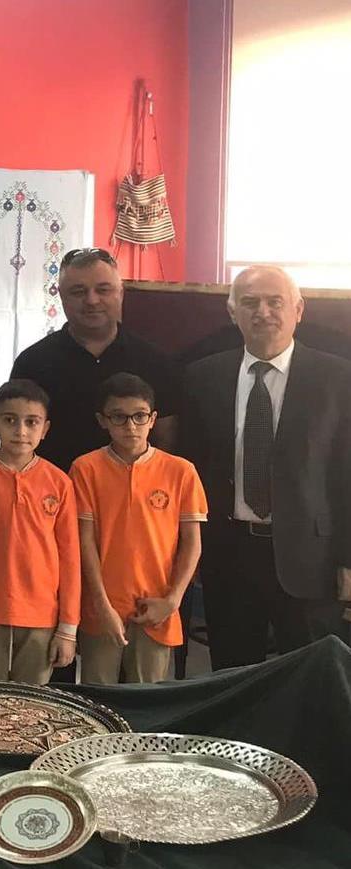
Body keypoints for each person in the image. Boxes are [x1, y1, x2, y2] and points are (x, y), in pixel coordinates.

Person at [180, 266, 351, 668]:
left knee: (309, 678)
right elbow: (191, 470)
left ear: (298, 310)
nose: (263, 312)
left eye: (276, 302)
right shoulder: (203, 377)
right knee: (233, 676)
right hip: (229, 554)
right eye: (250, 302)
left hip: (311, 560)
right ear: (232, 312)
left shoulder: (339, 378)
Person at [70, 373, 206, 684]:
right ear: (102, 420)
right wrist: (101, 604)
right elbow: (84, 542)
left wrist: (172, 601)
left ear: (153, 419)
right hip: (102, 607)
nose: (130, 426)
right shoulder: (86, 468)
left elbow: (192, 544)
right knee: (97, 697)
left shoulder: (181, 471)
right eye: (118, 417)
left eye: (139, 416)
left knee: (149, 698)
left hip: (157, 607)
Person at [0, 380, 80, 684]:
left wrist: (68, 628)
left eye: (31, 422)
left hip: (42, 616)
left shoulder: (59, 482)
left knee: (32, 704)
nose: (21, 431)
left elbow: (70, 558)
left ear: (45, 428)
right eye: (10, 420)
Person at [10, 248, 179, 471]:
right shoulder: (32, 364)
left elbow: (167, 440)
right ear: (61, 296)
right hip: (53, 489)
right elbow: (16, 443)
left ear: (121, 292)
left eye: (103, 290)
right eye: (78, 291)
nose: (91, 300)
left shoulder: (155, 362)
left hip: (136, 489)